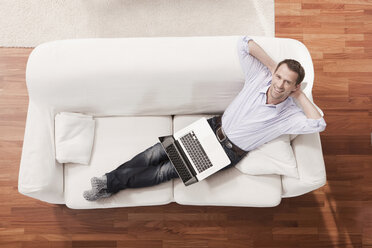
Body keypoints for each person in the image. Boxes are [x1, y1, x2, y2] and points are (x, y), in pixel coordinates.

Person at [83, 36, 326, 201]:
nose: (280, 85)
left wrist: (300, 95)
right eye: (279, 77)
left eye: (287, 82)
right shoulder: (260, 78)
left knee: (164, 173)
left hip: (226, 152)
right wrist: (274, 67)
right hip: (211, 129)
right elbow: (243, 43)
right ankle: (108, 181)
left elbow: (319, 123)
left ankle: (108, 184)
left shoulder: (289, 116)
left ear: (295, 86)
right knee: (155, 153)